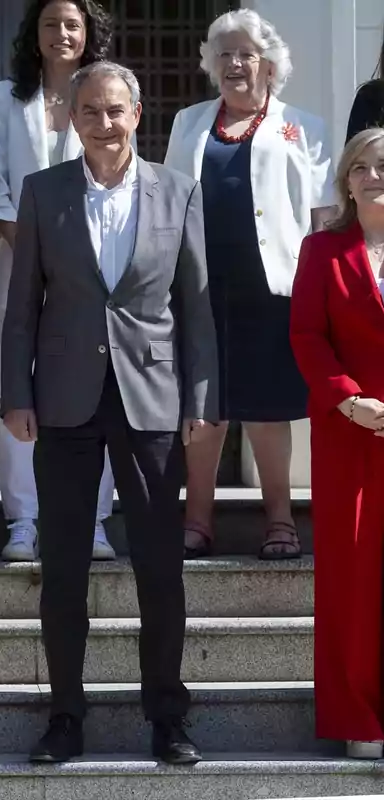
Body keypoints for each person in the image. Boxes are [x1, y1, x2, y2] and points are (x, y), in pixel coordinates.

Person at [1, 62, 218, 765]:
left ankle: (168, 716)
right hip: (64, 399)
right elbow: (20, 308)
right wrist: (16, 393)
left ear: (137, 112)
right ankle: (65, 715)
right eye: (90, 111)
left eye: (115, 110)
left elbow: (198, 308)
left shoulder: (179, 193)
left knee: (160, 567)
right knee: (63, 569)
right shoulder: (42, 194)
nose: (103, 123)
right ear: (72, 117)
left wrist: (201, 400)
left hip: (152, 399)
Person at [165, 9, 335, 560]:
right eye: (224, 54)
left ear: (269, 63)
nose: (235, 63)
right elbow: (168, 203)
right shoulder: (189, 122)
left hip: (274, 288)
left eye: (246, 53)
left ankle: (280, 520)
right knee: (203, 406)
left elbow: (324, 217)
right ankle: (197, 519)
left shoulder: (303, 126)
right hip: (201, 285)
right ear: (211, 64)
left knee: (267, 408)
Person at [0, 0, 117, 562]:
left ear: (88, 34)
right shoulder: (5, 97)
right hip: (18, 260)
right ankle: (23, 519)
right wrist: (24, 237)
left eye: (72, 25)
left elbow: (117, 173)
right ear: (33, 35)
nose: (61, 34)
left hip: (91, 270)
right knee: (19, 385)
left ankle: (93, 521)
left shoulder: (106, 94)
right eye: (50, 25)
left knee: (98, 386)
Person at [290, 127, 384, 760]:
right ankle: (360, 719)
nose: (376, 177)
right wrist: (348, 399)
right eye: (365, 168)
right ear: (347, 181)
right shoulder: (321, 251)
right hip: (349, 430)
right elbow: (307, 336)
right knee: (353, 577)